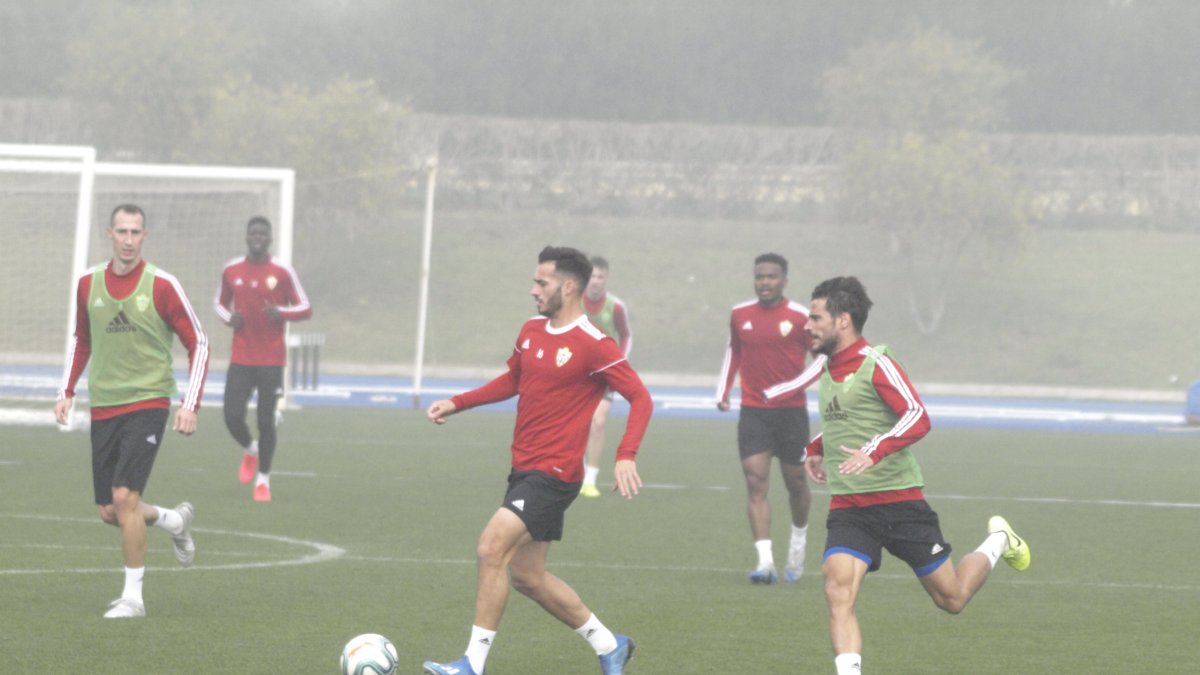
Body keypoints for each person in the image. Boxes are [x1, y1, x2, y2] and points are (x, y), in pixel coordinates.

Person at [422, 246, 653, 675]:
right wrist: (458, 402)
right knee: (528, 576)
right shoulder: (531, 330)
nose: (533, 291)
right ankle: (610, 644)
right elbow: (514, 378)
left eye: (541, 282)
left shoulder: (594, 345)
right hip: (525, 469)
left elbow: (640, 397)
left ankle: (472, 664)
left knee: (491, 549)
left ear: (567, 287)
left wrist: (626, 455)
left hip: (555, 472)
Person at [801, 276, 1030, 675]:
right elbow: (848, 421)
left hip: (900, 504)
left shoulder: (877, 362)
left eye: (815, 317)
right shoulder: (826, 368)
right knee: (837, 588)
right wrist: (815, 447)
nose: (807, 325)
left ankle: (999, 539)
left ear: (843, 320)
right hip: (851, 508)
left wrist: (874, 451)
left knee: (952, 599)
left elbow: (917, 416)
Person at [54, 204, 209, 618]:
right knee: (111, 510)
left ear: (144, 237)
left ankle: (133, 599)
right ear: (109, 234)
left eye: (135, 232)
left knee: (124, 497)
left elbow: (200, 342)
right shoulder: (88, 283)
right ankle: (173, 521)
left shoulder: (162, 285)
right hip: (104, 405)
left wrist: (189, 404)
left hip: (148, 401)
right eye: (121, 231)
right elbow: (81, 340)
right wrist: (66, 390)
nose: (127, 239)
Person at [716, 253, 826, 584]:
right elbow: (734, 350)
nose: (765, 282)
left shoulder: (801, 317)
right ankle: (765, 563)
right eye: (760, 276)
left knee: (796, 483)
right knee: (755, 481)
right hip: (753, 411)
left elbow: (820, 360)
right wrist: (723, 389)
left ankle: (798, 544)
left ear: (784, 281)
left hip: (791, 413)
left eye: (772, 277)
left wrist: (788, 388)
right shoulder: (740, 314)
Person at [214, 216, 312, 502]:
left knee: (266, 421)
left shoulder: (282, 271)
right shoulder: (232, 270)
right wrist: (228, 318)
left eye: (263, 234)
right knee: (231, 416)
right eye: (253, 233)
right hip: (241, 357)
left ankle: (263, 480)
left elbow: (305, 307)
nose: (258, 237)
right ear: (247, 237)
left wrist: (281, 312)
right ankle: (251, 449)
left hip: (271, 360)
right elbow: (219, 303)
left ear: (269, 239)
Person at [580, 255, 633, 498]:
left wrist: (616, 365)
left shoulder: (616, 306)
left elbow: (626, 335)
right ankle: (574, 471)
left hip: (605, 374)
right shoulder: (573, 302)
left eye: (600, 276)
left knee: (598, 422)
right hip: (577, 372)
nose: (596, 281)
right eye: (592, 275)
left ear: (606, 278)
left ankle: (590, 479)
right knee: (574, 422)